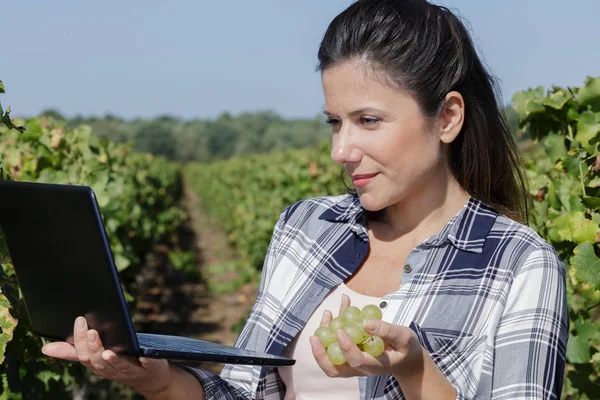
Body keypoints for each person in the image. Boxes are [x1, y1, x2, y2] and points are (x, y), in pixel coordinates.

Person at [42, 0, 569, 398]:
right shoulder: (307, 226)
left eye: (368, 121)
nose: (342, 149)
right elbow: (247, 393)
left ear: (448, 117)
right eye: (334, 123)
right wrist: (156, 379)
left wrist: (413, 369)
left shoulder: (520, 265)